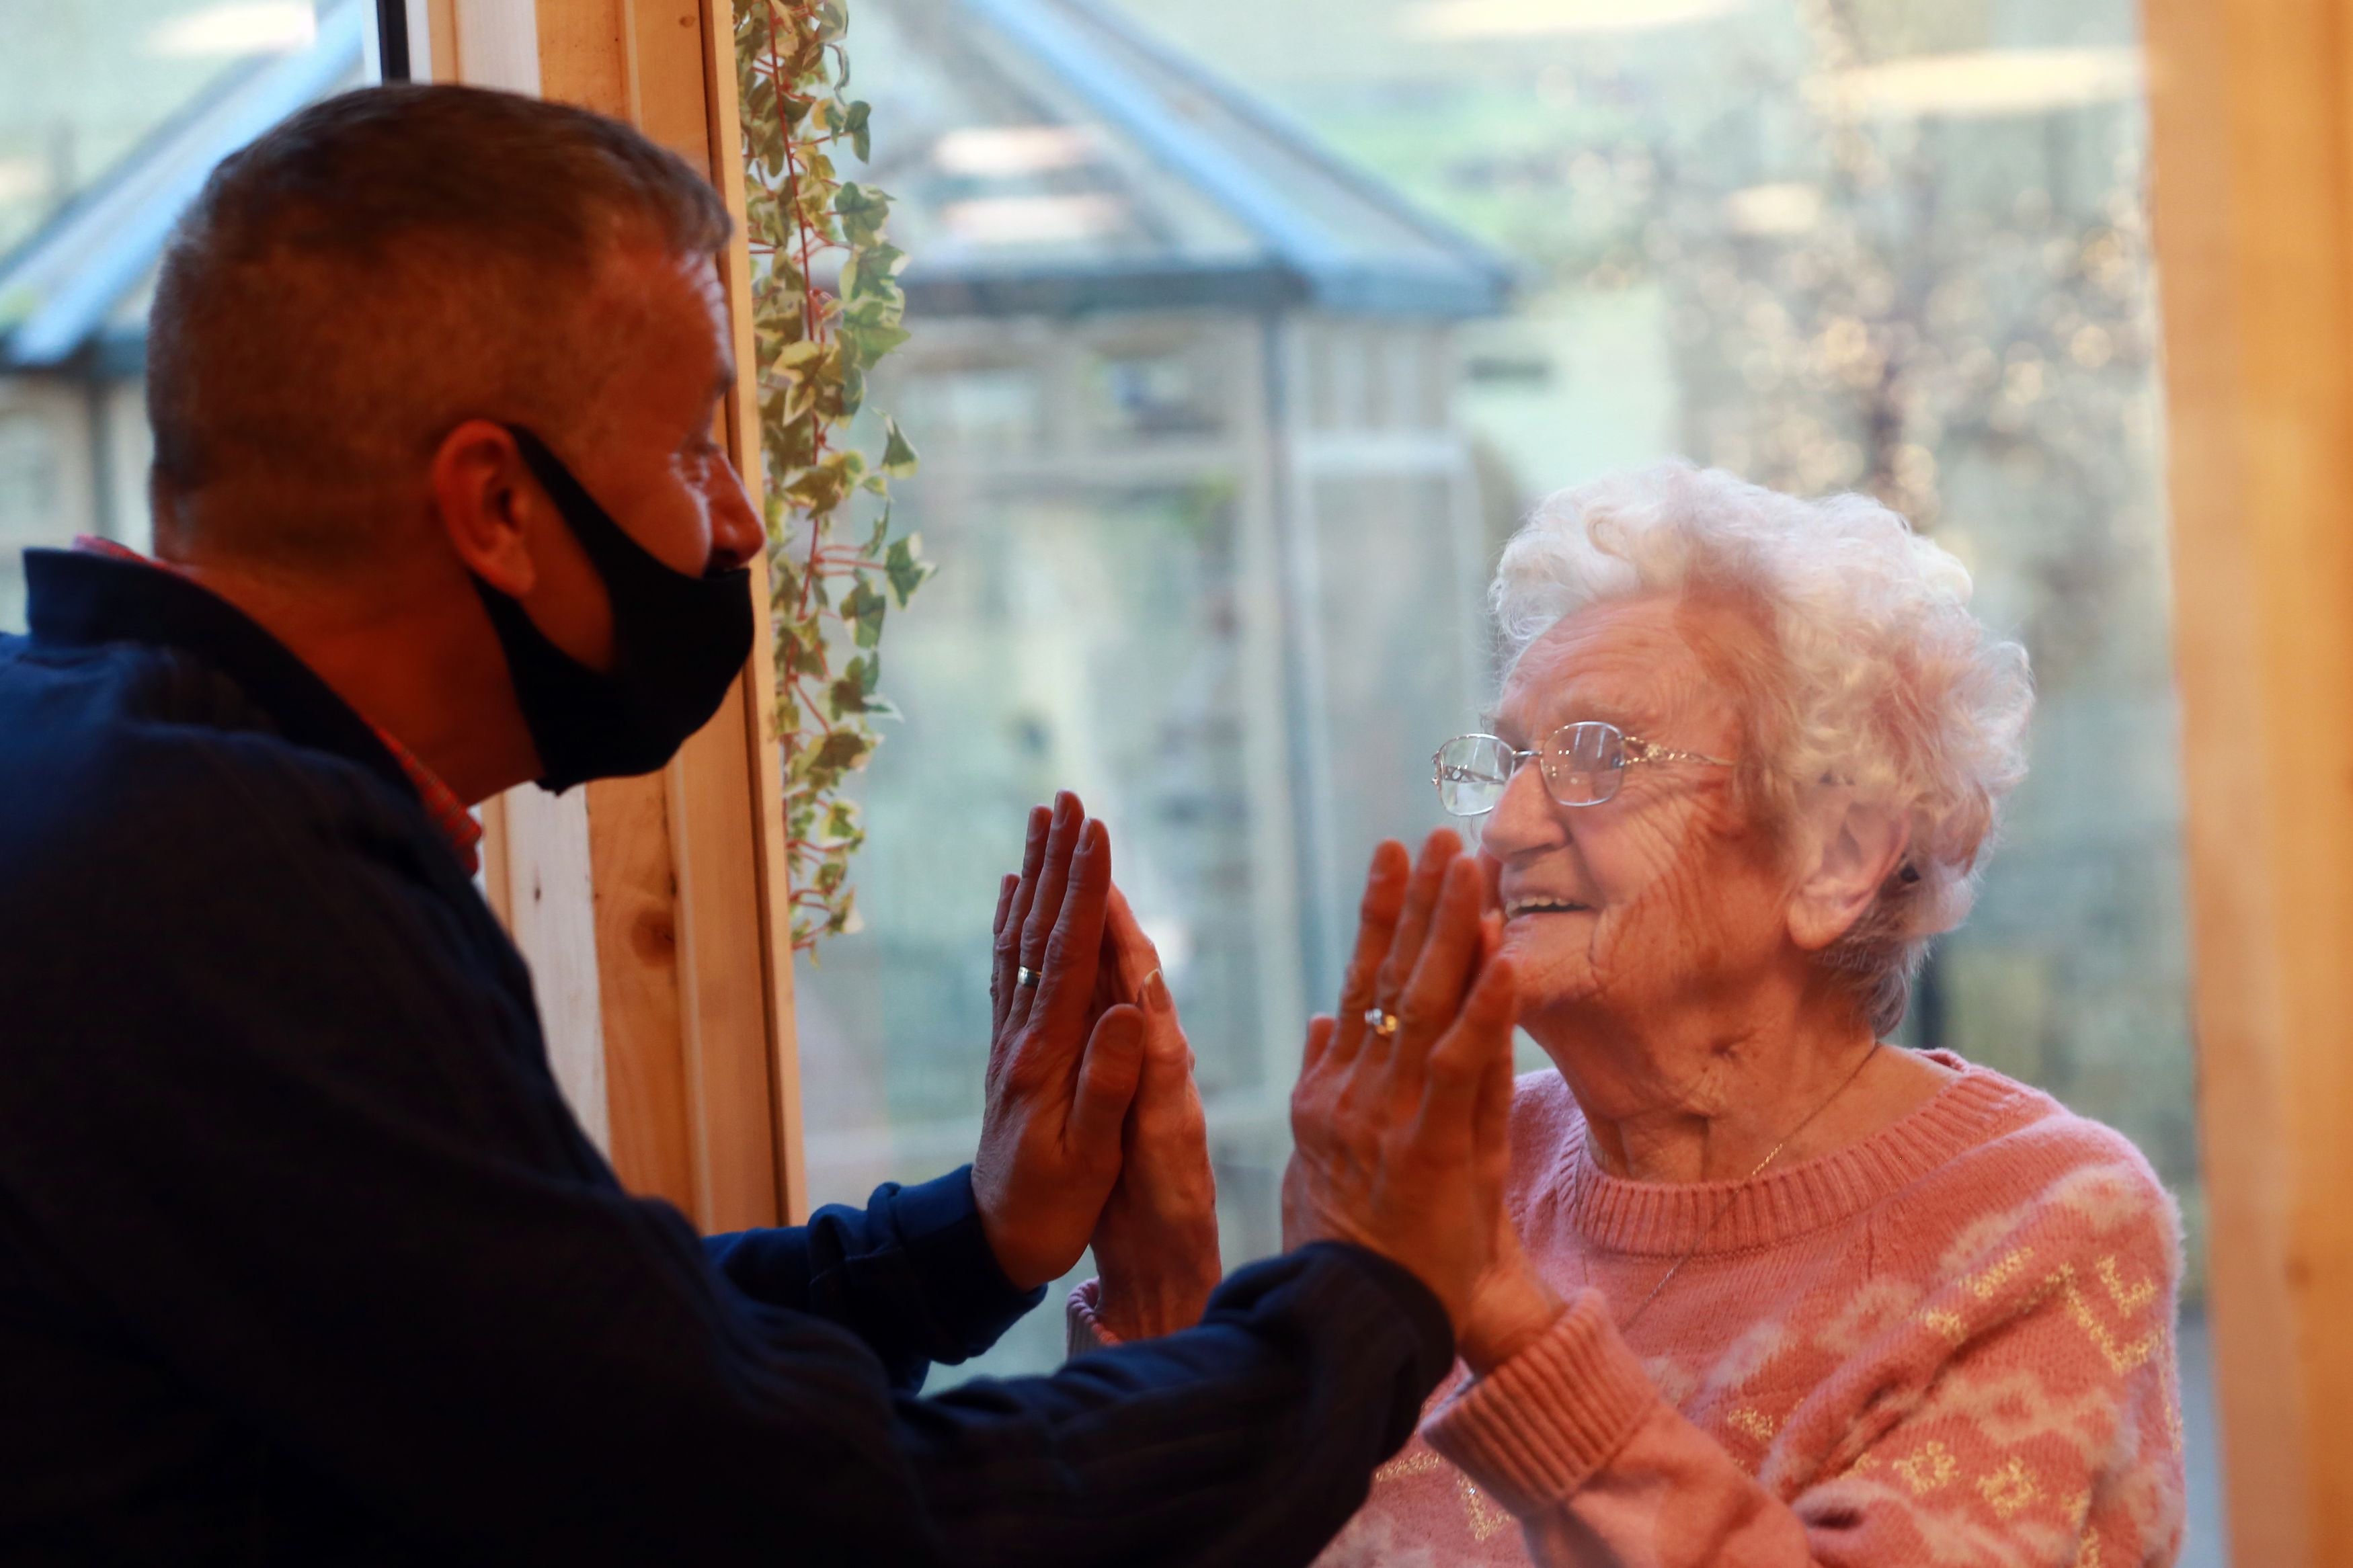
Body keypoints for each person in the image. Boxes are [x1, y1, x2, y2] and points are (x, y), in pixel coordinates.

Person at [0, 85, 1523, 1565]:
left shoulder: (93, 756)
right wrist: (1367, 1300)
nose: (734, 523)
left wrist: (970, 1244)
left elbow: (552, 1365)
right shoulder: (228, 879)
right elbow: (767, 1515)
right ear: (497, 508)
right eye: (687, 450)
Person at [1070, 463, 2188, 1566]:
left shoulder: (2045, 1222)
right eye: (1506, 760)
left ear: (1835, 855)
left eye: (1596, 756)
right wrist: (1162, 1300)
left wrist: (1496, 1310)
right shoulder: (1473, 1162)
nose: (1505, 825)